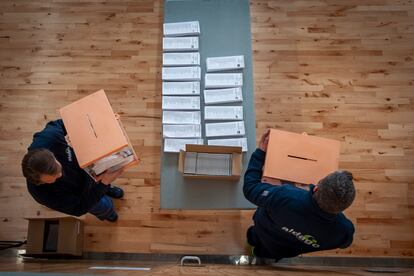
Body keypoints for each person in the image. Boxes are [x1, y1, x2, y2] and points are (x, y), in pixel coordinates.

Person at [244, 130, 356, 262]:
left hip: (263, 232)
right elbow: (345, 243)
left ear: (316, 188)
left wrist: (260, 153)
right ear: (343, 207)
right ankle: (258, 254)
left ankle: (251, 248)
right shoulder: (343, 231)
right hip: (286, 250)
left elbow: (250, 188)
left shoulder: (284, 197)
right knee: (267, 254)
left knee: (253, 239)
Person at [21, 119, 125, 222]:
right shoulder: (43, 195)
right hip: (82, 194)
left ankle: (106, 189)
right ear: (40, 182)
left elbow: (66, 121)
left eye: (59, 168)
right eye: (52, 179)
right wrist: (104, 182)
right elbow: (79, 208)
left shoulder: (49, 139)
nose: (60, 175)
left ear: (52, 154)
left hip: (89, 171)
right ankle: (109, 213)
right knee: (103, 207)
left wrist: (95, 127)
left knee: (102, 182)